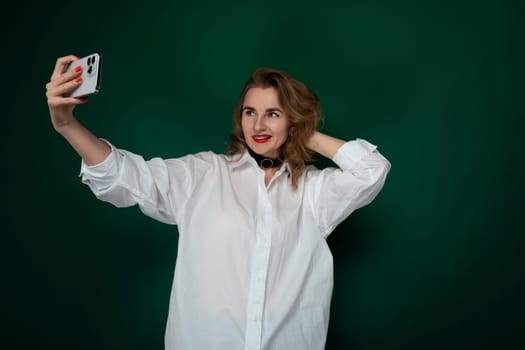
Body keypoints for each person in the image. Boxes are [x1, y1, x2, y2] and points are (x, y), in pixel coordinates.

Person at [46, 54, 391, 350]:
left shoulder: (314, 192)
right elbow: (124, 175)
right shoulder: (203, 174)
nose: (258, 124)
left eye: (273, 113)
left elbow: (372, 170)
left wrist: (304, 132)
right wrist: (66, 124)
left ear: (293, 118)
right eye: (249, 112)